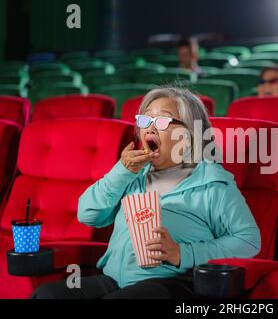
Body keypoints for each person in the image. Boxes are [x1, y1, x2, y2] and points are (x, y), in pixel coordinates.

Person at [31, 87, 261, 299]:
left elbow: (248, 241)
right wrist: (121, 172)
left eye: (161, 121)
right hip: (113, 279)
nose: (150, 127)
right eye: (145, 119)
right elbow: (88, 214)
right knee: (47, 295)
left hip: (173, 283)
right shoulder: (131, 176)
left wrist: (183, 253)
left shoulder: (212, 182)